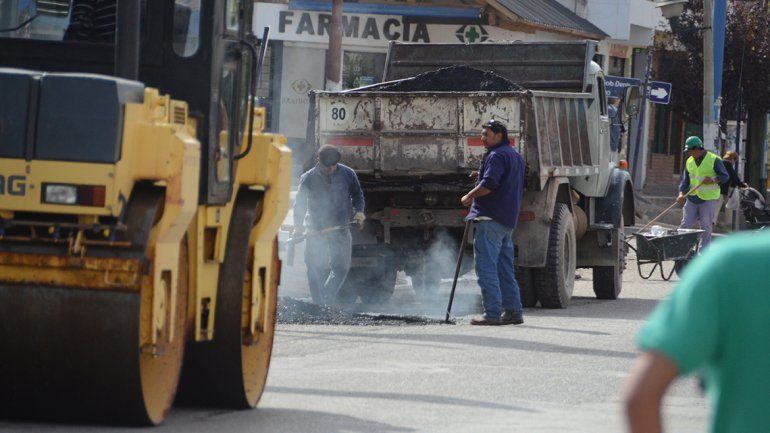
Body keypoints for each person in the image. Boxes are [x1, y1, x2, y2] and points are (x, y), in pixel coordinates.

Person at [624, 230, 770, 433]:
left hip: (704, 204)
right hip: (696, 202)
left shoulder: (729, 265)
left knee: (704, 230)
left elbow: (641, 397)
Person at [461, 120, 525, 326]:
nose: (482, 138)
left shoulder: (496, 156)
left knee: (486, 267)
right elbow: (504, 180)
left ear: (499, 135)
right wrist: (479, 175)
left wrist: (469, 196)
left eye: (486, 135)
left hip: (490, 218)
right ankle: (514, 311)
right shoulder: (514, 155)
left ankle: (492, 313)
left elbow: (489, 185)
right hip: (507, 219)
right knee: (504, 268)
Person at [293, 145, 365, 306]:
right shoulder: (308, 178)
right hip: (315, 228)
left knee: (342, 267)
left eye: (334, 165)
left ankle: (327, 295)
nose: (331, 169)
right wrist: (298, 227)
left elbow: (357, 194)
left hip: (341, 226)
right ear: (319, 161)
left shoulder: (347, 174)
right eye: (328, 166)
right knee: (314, 267)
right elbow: (299, 204)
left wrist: (359, 212)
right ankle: (319, 304)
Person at [676, 136, 728, 248]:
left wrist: (713, 180)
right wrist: (681, 194)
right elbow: (685, 181)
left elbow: (725, 177)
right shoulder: (689, 161)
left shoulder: (714, 159)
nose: (690, 154)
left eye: (691, 151)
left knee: (705, 227)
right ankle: (681, 250)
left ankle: (703, 254)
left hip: (708, 199)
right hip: (692, 198)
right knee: (685, 225)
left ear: (698, 149)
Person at [714, 150, 748, 225]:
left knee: (714, 209)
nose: (734, 163)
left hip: (714, 189)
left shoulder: (721, 163)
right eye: (735, 161)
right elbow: (734, 178)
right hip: (720, 191)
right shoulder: (727, 165)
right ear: (732, 159)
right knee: (715, 210)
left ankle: (712, 223)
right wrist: (743, 185)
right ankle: (712, 224)